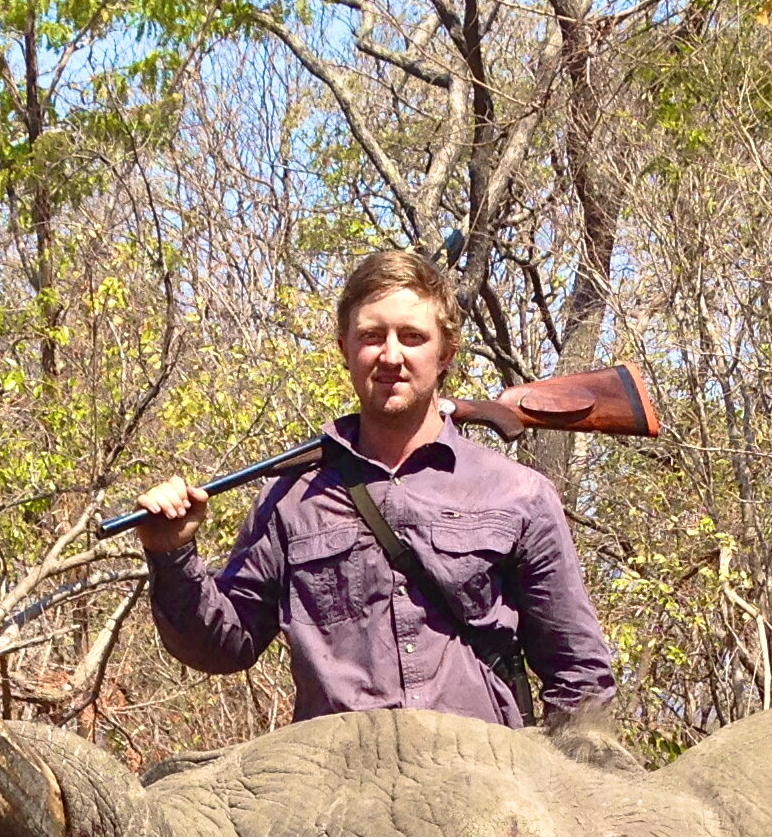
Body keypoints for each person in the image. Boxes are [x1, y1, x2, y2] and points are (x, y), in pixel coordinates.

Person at [134, 249, 617, 735]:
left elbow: (580, 676)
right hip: (335, 790)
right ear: (344, 347)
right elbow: (224, 645)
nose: (391, 356)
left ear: (446, 352)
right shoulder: (290, 498)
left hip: (482, 790)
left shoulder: (519, 493)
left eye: (413, 337)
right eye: (371, 336)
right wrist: (171, 553)